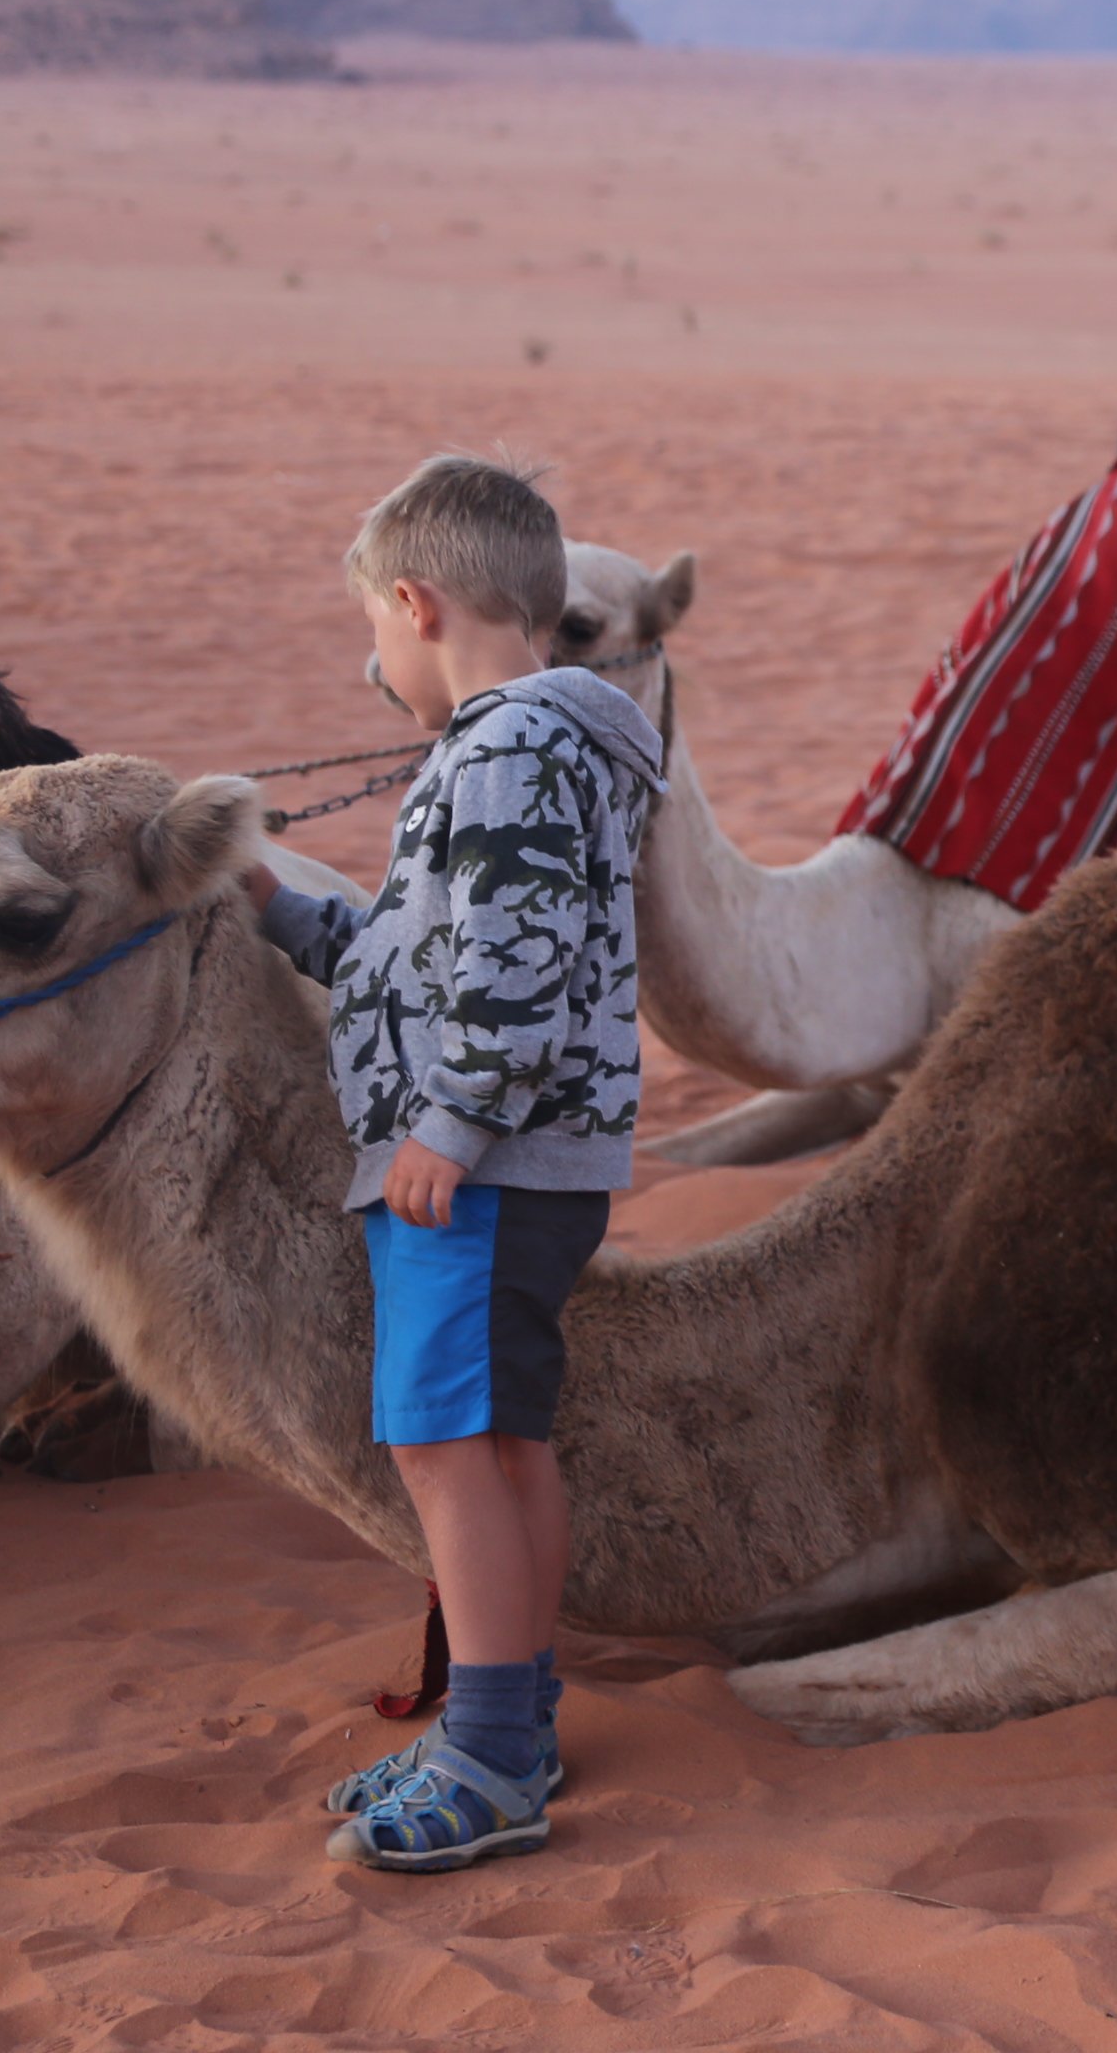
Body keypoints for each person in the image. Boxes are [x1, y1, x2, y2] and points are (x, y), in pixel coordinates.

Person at [245, 455, 663, 1872]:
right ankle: (512, 1716)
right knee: (496, 1443)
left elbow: (516, 962)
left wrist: (452, 1124)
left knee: (443, 1446)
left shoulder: (507, 749)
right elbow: (421, 954)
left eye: (373, 632)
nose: (376, 666)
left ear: (415, 604)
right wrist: (275, 910)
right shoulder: (525, 749)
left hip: (481, 1170)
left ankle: (490, 1759)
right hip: (506, 1164)